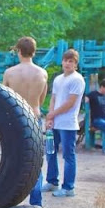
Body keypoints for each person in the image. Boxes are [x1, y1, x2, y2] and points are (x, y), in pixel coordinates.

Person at [3, 36, 48, 206]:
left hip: (16, 119)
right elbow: (41, 100)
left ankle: (9, 201)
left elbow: (5, 98)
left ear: (19, 51)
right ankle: (36, 202)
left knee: (12, 159)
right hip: (34, 117)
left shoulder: (10, 73)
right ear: (34, 52)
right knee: (35, 160)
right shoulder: (42, 73)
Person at [42, 49, 86, 197]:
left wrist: (52, 114)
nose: (67, 63)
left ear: (76, 64)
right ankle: (52, 182)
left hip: (68, 124)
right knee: (50, 152)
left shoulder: (77, 79)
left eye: (71, 61)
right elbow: (53, 99)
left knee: (68, 155)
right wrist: (50, 117)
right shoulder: (58, 79)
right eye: (66, 60)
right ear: (62, 61)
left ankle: (68, 188)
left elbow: (70, 103)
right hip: (55, 123)